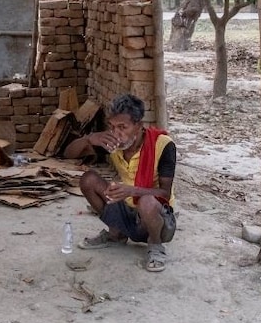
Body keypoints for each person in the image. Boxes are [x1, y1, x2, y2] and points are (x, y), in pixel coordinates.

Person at [63, 93, 177, 272]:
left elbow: (165, 193)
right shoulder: (111, 143)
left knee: (146, 200)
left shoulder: (163, 145)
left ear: (139, 126)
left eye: (123, 127)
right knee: (88, 180)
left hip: (158, 219)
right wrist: (88, 139)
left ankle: (155, 246)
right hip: (128, 208)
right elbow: (68, 154)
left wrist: (131, 191)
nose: (116, 133)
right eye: (112, 126)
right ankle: (116, 234)